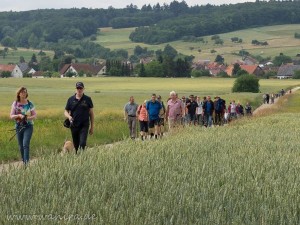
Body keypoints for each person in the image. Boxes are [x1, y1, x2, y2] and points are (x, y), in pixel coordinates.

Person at [10, 87, 37, 165]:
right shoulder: (15, 103)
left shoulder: (29, 103)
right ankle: (23, 160)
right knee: (20, 146)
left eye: (25, 92)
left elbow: (35, 116)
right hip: (18, 126)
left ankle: (26, 164)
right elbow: (11, 116)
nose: (23, 94)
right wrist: (18, 115)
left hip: (28, 126)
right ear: (18, 94)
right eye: (22, 92)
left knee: (25, 144)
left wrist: (26, 118)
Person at [64, 82, 94, 153]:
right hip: (74, 125)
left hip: (84, 125)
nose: (79, 90)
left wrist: (92, 127)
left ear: (83, 89)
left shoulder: (88, 99)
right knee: (76, 145)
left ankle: (82, 157)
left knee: (82, 143)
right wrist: (69, 116)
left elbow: (91, 114)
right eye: (78, 88)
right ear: (75, 89)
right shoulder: (70, 99)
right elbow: (65, 111)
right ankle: (79, 159)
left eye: (81, 88)